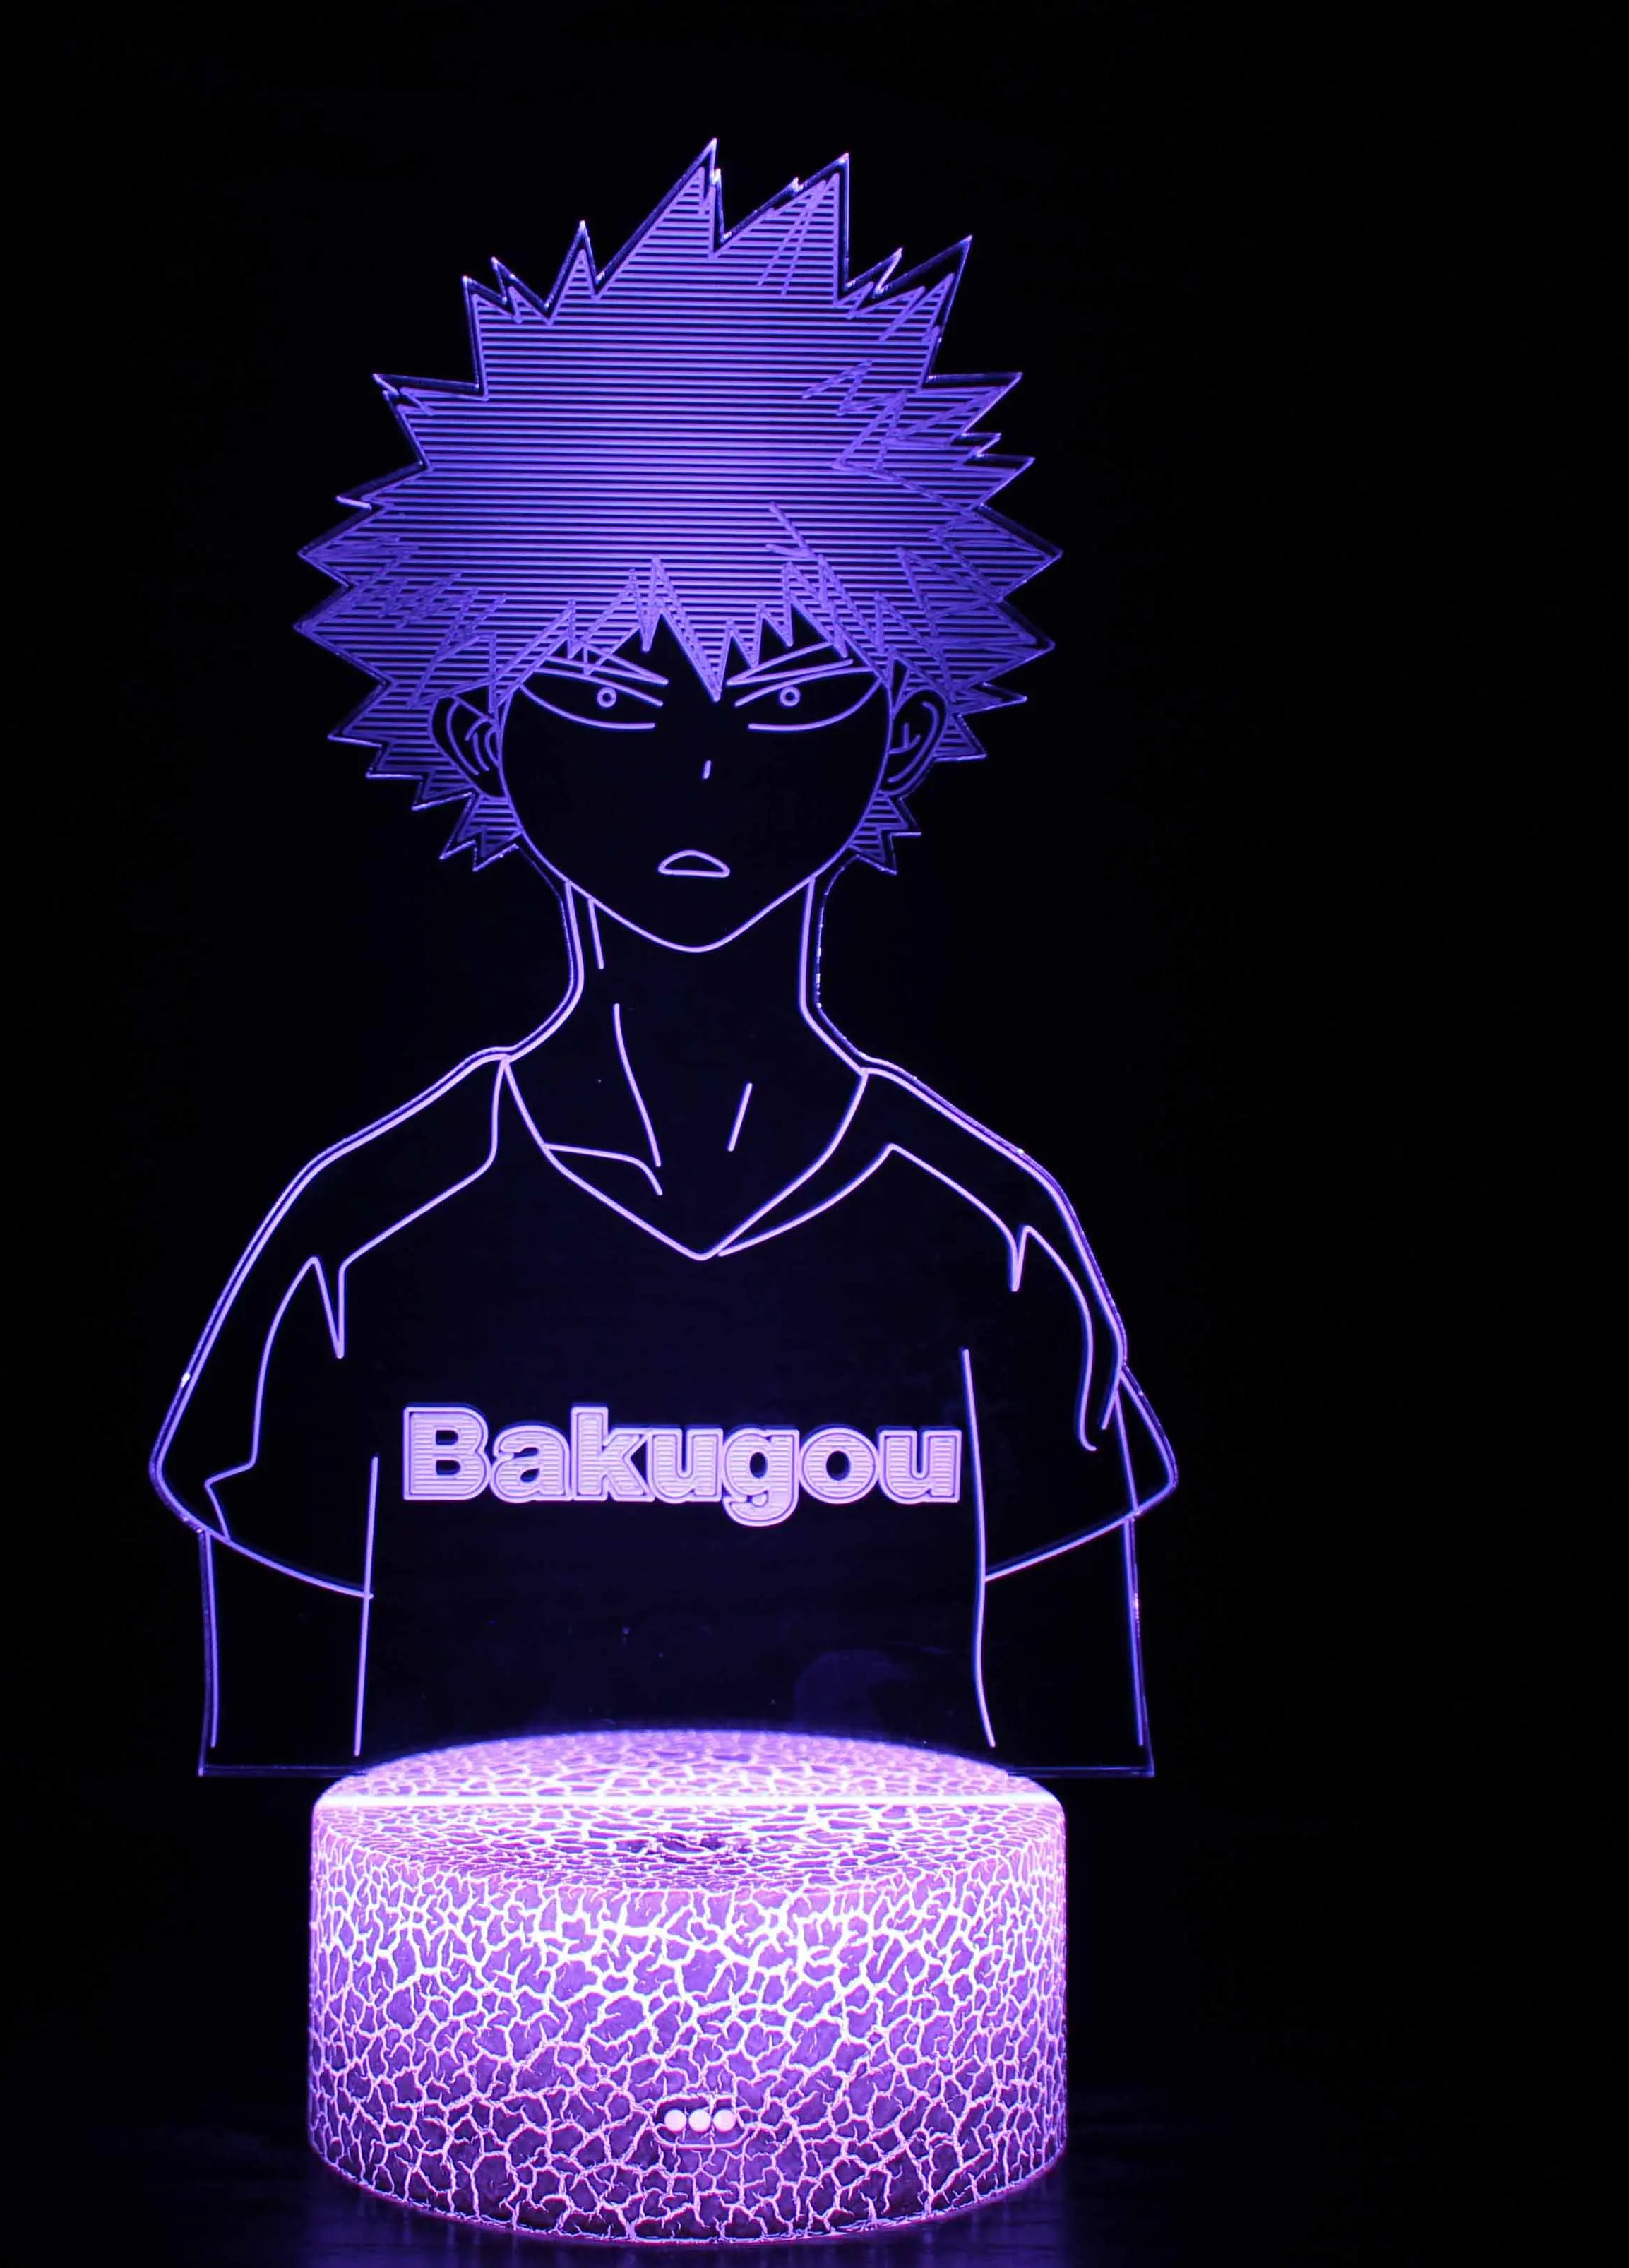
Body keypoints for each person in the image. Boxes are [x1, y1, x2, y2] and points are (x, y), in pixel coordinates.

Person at [153, 148, 1175, 1771]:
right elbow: (264, 1766)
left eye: (791, 702)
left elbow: (1082, 1761)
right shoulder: (361, 1240)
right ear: (482, 731)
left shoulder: (992, 1238)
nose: (702, 773)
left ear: (904, 731)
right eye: (612, 702)